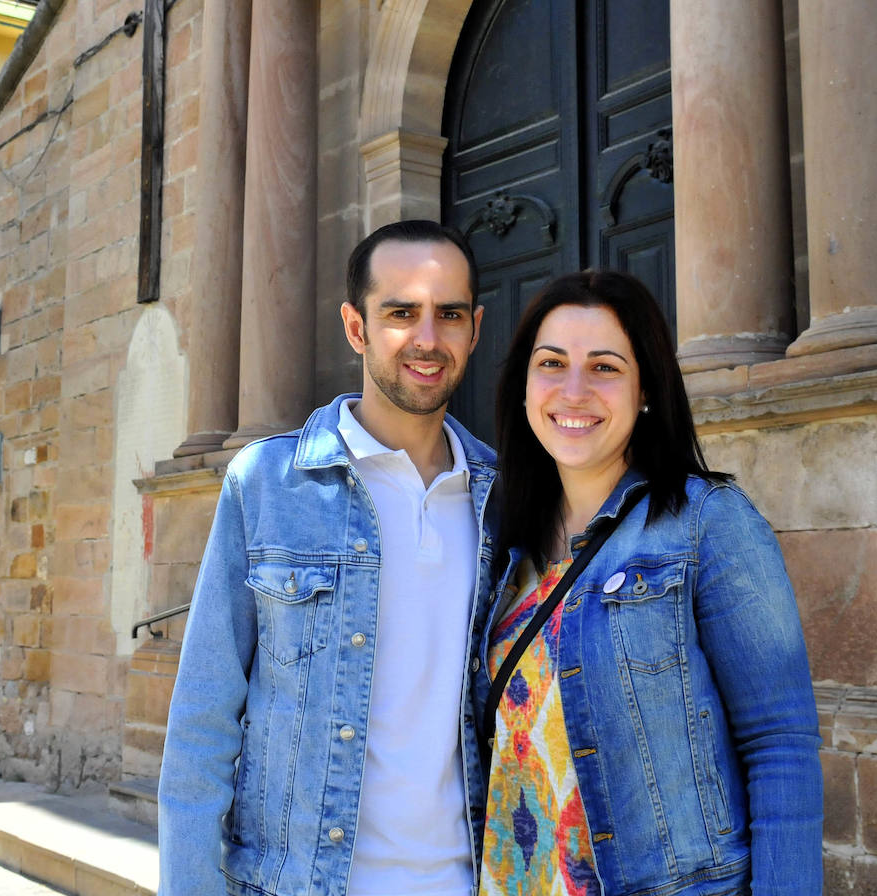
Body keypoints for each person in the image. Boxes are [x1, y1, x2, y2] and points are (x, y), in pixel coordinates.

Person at [159, 220, 498, 896]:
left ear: (475, 328)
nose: (427, 339)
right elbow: (202, 725)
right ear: (356, 327)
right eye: (401, 313)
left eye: (449, 314)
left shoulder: (504, 500)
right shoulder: (267, 483)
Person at [477, 270, 822, 896]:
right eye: (551, 363)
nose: (573, 390)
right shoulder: (501, 549)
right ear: (524, 386)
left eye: (605, 367)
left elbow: (781, 747)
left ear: (645, 390)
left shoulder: (708, 522)